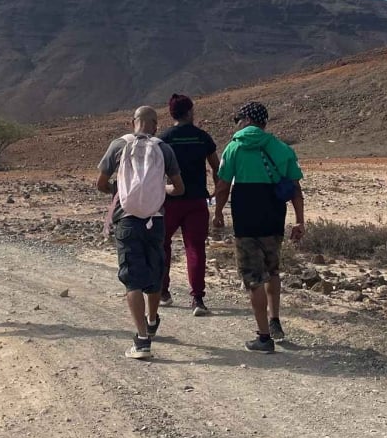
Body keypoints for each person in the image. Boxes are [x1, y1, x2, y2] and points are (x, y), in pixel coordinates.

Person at [212, 101, 305, 353]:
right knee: (272, 270)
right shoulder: (281, 148)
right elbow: (295, 188)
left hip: (246, 219)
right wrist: (299, 220)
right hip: (274, 217)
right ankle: (275, 321)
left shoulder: (234, 148)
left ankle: (264, 338)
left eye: (238, 119)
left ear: (245, 120)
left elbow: (222, 186)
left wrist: (218, 211)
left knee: (253, 278)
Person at [97, 106, 185, 360]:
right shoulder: (164, 149)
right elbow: (179, 188)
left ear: (132, 122)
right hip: (155, 221)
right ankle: (152, 318)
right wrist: (161, 190)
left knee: (132, 279)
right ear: (155, 125)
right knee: (154, 273)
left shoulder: (118, 146)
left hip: (127, 221)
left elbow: (101, 183)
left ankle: (142, 340)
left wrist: (121, 191)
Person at [157, 93, 219, 316]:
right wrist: (216, 194)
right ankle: (197, 299)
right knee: (195, 248)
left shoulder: (164, 139)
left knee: (162, 245)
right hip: (196, 201)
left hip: (170, 201)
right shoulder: (202, 137)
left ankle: (163, 292)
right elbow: (216, 167)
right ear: (190, 112)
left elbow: (156, 172)